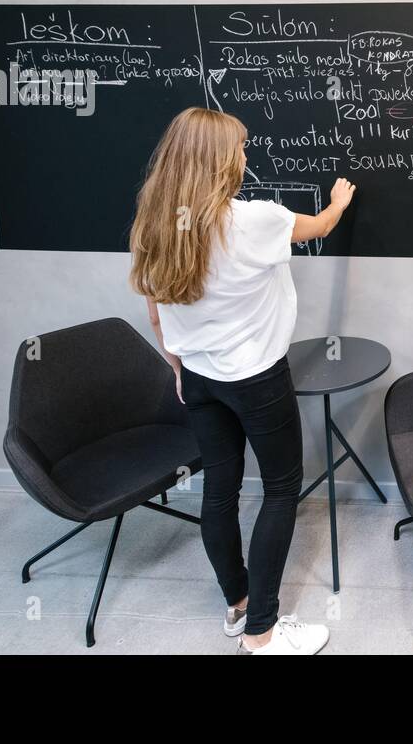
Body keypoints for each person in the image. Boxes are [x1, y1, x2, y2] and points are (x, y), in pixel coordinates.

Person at [128, 106, 355, 655]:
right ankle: (263, 633)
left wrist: (178, 367)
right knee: (280, 490)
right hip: (256, 379)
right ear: (218, 161)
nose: (246, 156)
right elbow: (320, 226)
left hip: (200, 379)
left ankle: (238, 605)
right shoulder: (254, 219)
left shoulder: (155, 222)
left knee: (219, 492)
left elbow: (157, 312)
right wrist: (340, 201)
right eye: (241, 149)